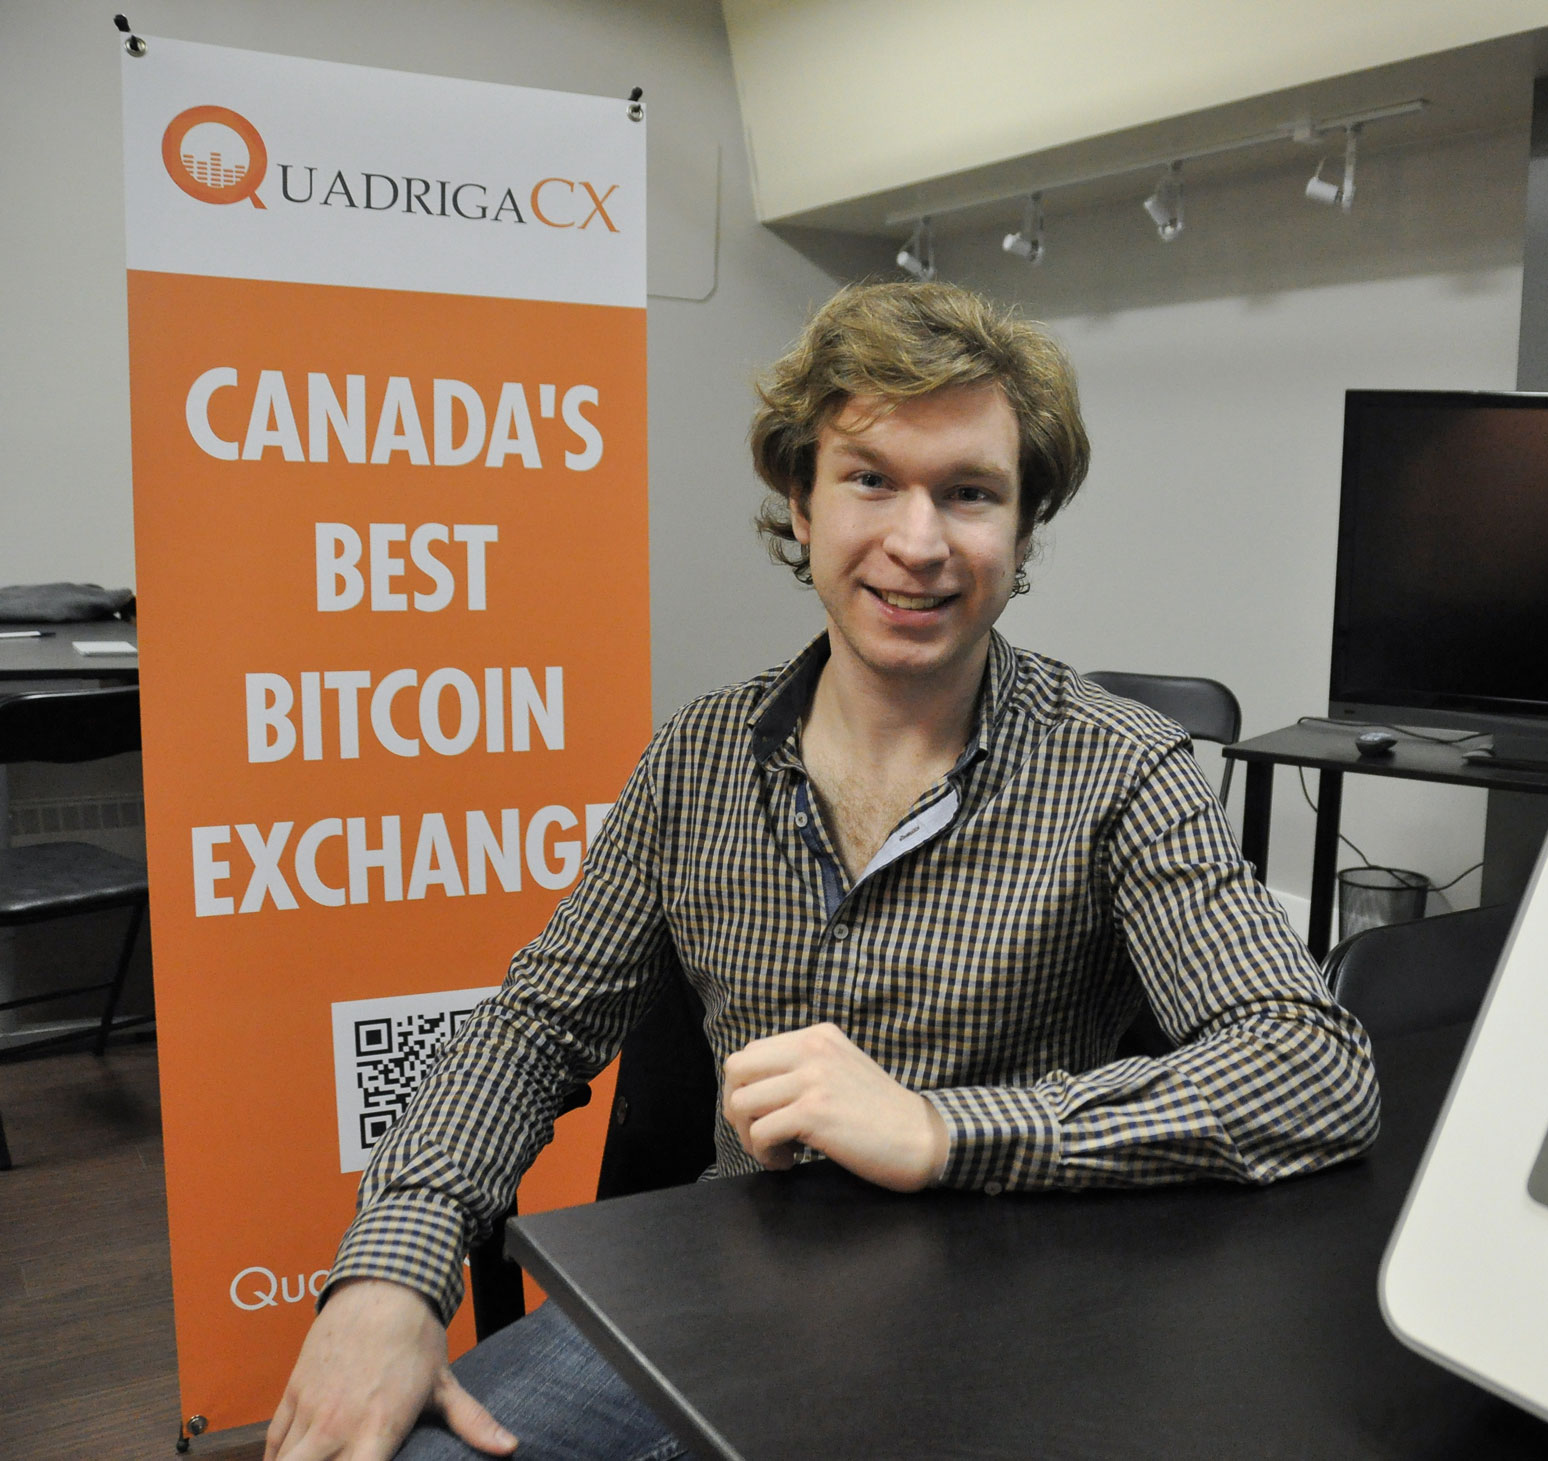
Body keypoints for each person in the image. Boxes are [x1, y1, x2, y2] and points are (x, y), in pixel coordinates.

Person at [266, 282, 1379, 1461]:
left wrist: (943, 1132)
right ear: (797, 502)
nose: (918, 541)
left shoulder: (1122, 773)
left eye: (969, 493)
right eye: (870, 480)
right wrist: (388, 1273)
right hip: (720, 1295)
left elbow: (1310, 1070)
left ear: (1022, 527)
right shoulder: (698, 757)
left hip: (1006, 1311)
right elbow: (531, 1028)